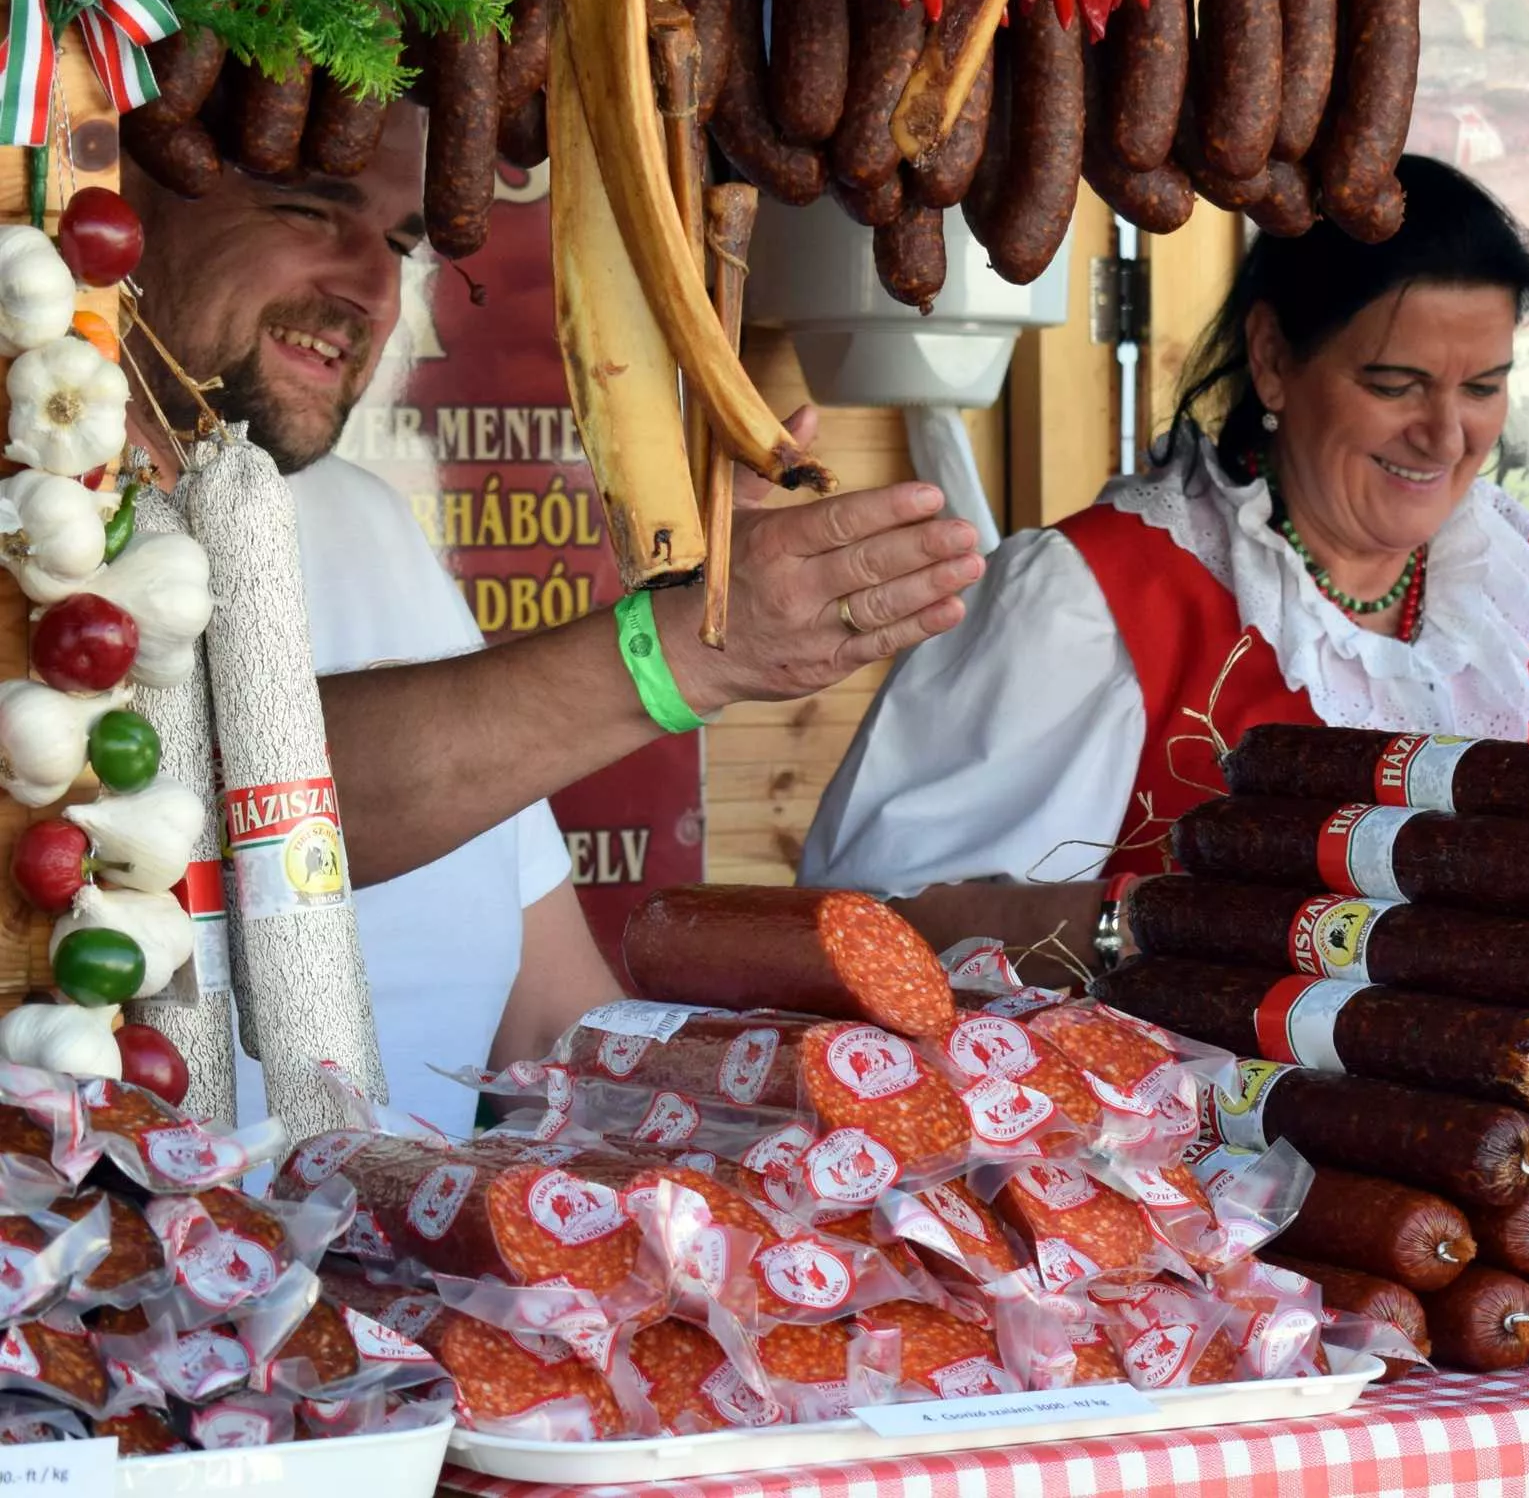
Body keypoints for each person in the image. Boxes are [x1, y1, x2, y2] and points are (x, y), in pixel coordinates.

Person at [119, 112, 986, 1128]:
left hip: (408, 1265)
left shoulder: (370, 526)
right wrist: (673, 653)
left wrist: (850, 1108)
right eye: (312, 209)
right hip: (152, 1273)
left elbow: (552, 1029)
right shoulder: (42, 525)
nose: (371, 287)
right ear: (128, 193)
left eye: (401, 244)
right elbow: (208, 801)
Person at [802, 156, 1529, 952]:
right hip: (1178, 1180)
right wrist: (1173, 923)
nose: (1446, 434)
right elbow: (881, 920)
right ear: (1277, 360)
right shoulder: (1096, 601)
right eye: (1396, 382)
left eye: (1482, 387)